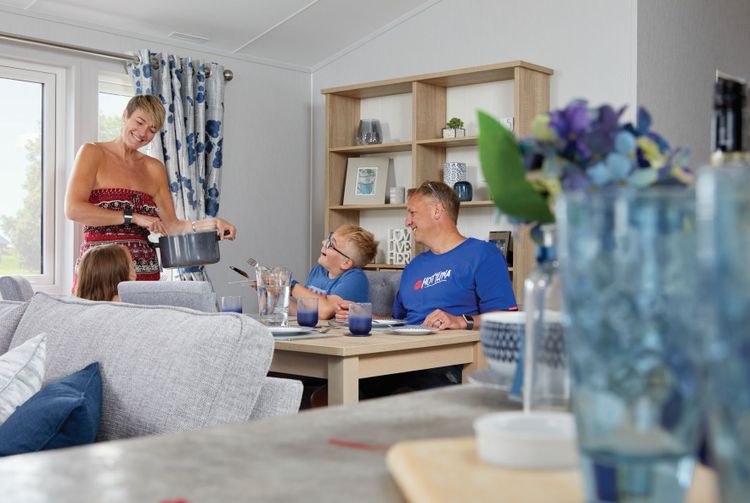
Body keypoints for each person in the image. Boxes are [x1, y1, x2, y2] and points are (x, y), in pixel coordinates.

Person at [336, 180, 516, 396]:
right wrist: (363, 314)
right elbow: (401, 322)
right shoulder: (414, 266)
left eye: (412, 213)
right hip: (399, 360)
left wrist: (461, 321)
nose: (407, 222)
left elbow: (507, 320)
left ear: (437, 211)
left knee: (391, 395)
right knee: (341, 388)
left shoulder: (484, 255)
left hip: (448, 365)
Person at [65, 95, 236, 283]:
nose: (142, 133)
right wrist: (133, 217)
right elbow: (74, 210)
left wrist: (212, 224)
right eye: (139, 122)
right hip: (99, 271)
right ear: (125, 115)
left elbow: (172, 226)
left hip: (144, 273)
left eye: (151, 129)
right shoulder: (92, 152)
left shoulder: (154, 168)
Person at [290, 224, 378, 319]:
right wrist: (279, 292)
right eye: (328, 238)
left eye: (331, 245)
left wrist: (290, 285)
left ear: (346, 263)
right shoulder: (318, 270)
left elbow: (325, 311)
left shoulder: (355, 278)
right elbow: (306, 311)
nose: (324, 242)